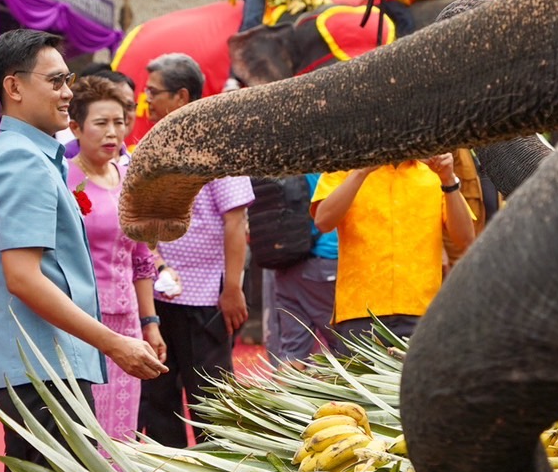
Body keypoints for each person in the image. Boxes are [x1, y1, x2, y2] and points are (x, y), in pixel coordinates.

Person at [0, 28, 166, 472]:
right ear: (14, 87)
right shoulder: (21, 158)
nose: (66, 93)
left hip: (47, 355)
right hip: (40, 360)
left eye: (67, 80)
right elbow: (24, 277)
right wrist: (116, 343)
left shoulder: (34, 155)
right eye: (56, 81)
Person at [137, 53, 253, 447]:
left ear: (181, 96)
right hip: (156, 294)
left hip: (206, 295)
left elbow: (236, 221)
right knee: (158, 395)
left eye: (154, 92)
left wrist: (233, 287)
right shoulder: (151, 146)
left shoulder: (216, 146)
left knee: (211, 398)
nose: (146, 99)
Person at [65, 75, 166, 439]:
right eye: (101, 123)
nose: (113, 132)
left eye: (120, 122)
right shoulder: (64, 178)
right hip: (81, 322)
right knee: (88, 430)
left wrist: (150, 323)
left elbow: (142, 257)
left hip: (128, 322)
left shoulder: (130, 177)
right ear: (75, 127)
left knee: (122, 430)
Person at [310, 152, 477, 345]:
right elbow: (323, 222)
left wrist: (449, 180)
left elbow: (466, 238)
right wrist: (360, 171)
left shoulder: (434, 173)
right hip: (360, 313)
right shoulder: (344, 168)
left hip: (421, 311)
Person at [260, 174, 339, 364]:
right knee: (348, 345)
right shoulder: (332, 170)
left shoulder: (288, 163)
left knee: (293, 353)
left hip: (286, 264)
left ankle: (282, 392)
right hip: (324, 263)